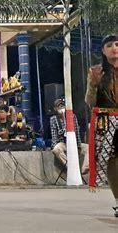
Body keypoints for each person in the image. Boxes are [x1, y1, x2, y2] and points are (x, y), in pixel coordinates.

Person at [85, 34, 118, 217]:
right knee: (113, 162)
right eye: (110, 45)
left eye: (117, 44)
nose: (115, 48)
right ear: (103, 51)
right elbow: (90, 102)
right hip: (106, 119)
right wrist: (94, 85)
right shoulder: (96, 71)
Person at [50, 99, 89, 174]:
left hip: (74, 142)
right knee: (55, 149)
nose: (61, 108)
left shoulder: (72, 116)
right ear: (55, 109)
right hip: (63, 143)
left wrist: (78, 146)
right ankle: (70, 167)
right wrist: (54, 145)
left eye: (62, 106)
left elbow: (77, 131)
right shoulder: (53, 119)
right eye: (59, 106)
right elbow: (54, 135)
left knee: (89, 148)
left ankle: (85, 168)